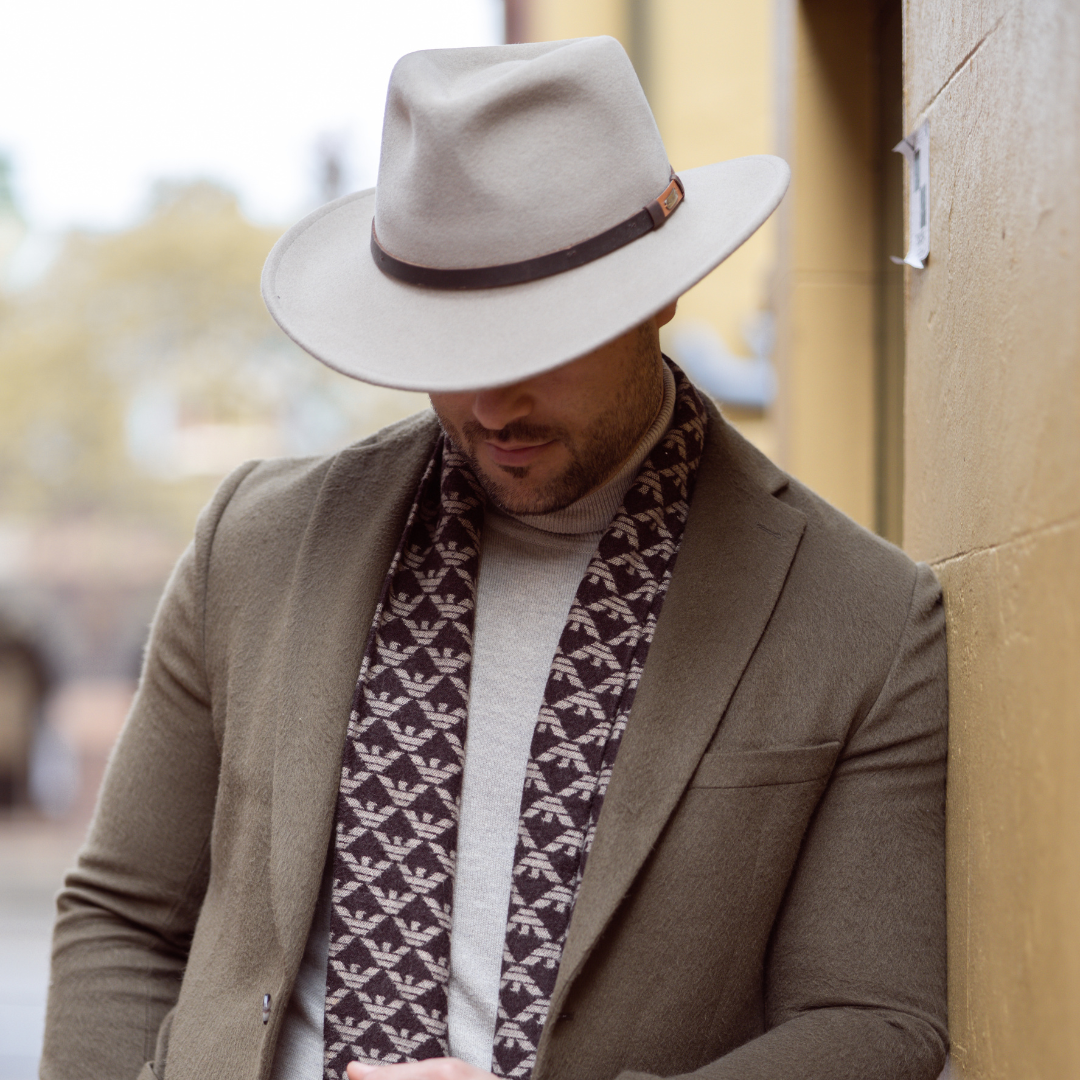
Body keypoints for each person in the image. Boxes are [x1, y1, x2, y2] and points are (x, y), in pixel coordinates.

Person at [41, 35, 948, 1080]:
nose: (492, 405)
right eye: (449, 348)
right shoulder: (256, 541)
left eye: (541, 343)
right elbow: (123, 916)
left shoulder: (865, 619)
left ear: (661, 293)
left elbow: (876, 1019)